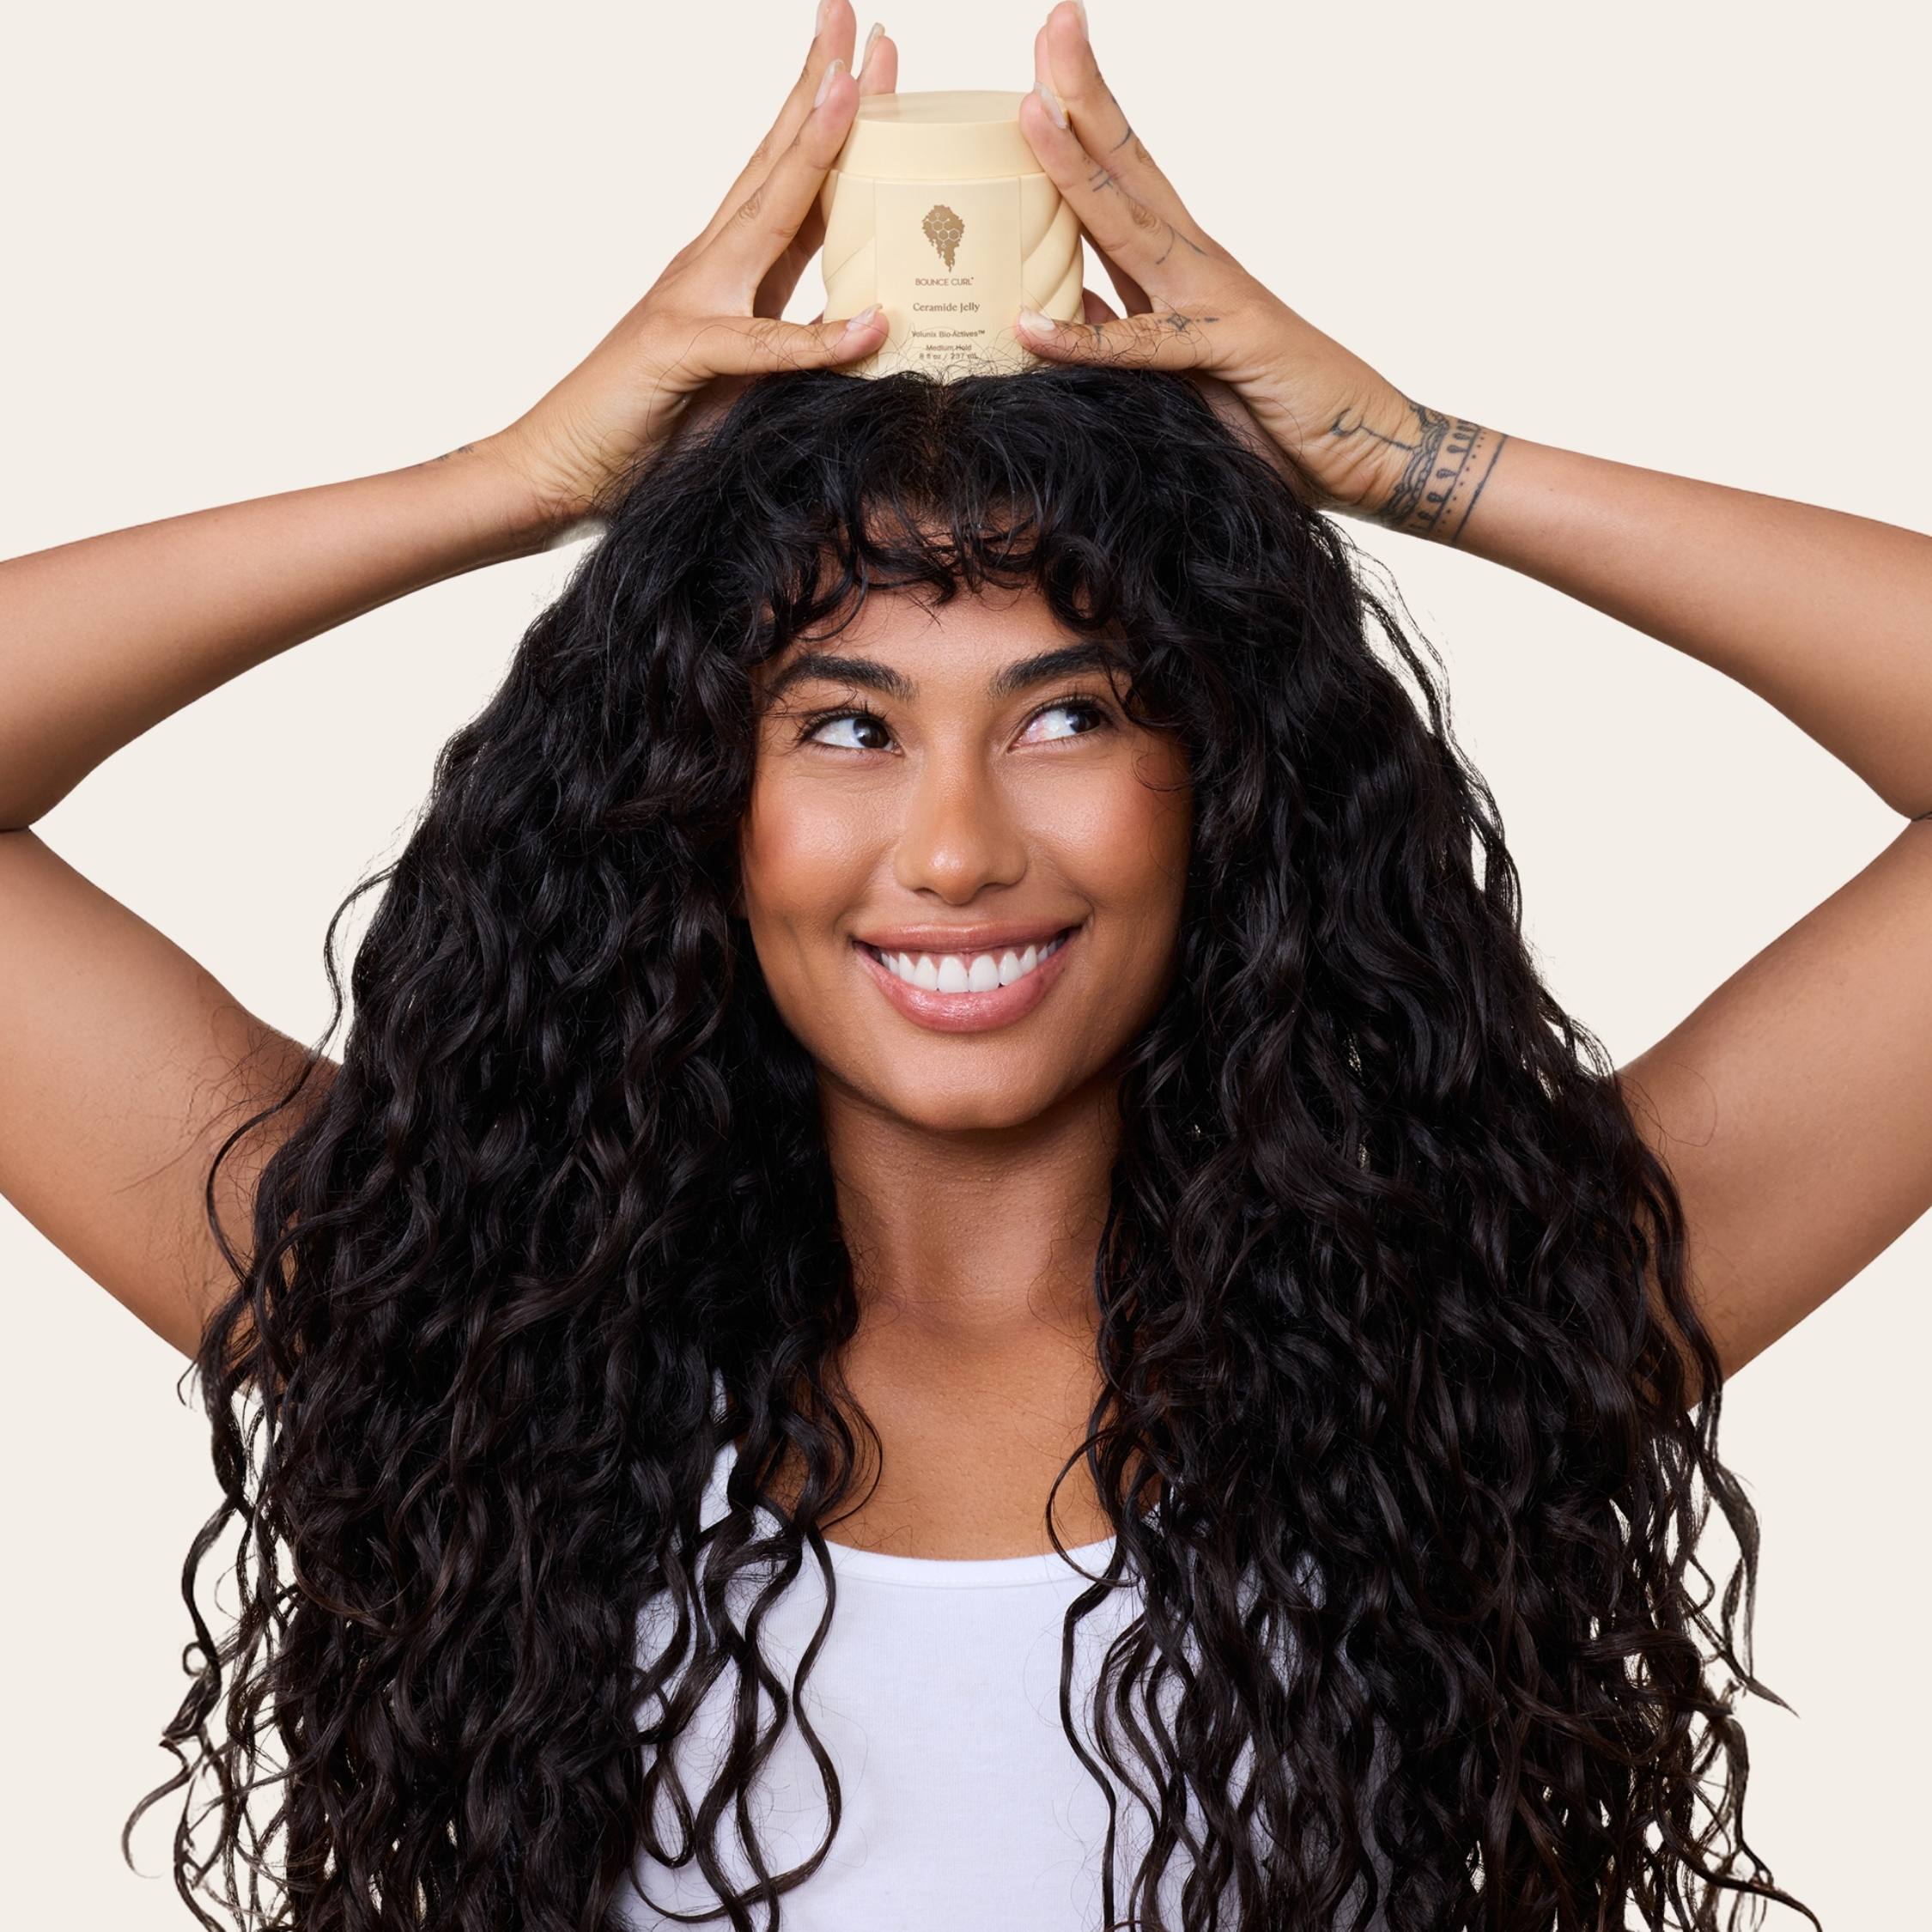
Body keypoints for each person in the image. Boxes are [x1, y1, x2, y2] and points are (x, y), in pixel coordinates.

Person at [3, 2, 1925, 1927]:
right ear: (693, 798)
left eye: (1069, 716)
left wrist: (1404, 456)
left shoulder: (1476, 1332)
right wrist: (516, 485)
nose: (953, 847)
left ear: (1223, 782)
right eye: (846, 727)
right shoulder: (467, 1330)